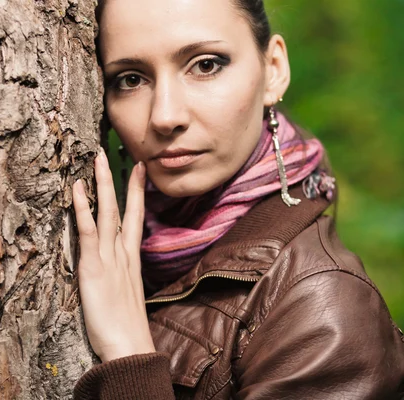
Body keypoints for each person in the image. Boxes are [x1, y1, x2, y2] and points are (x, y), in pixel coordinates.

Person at [70, 0, 404, 398]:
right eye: (130, 79)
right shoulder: (130, 249)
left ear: (273, 70)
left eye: (206, 64)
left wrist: (129, 360)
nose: (164, 115)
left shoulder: (324, 311)